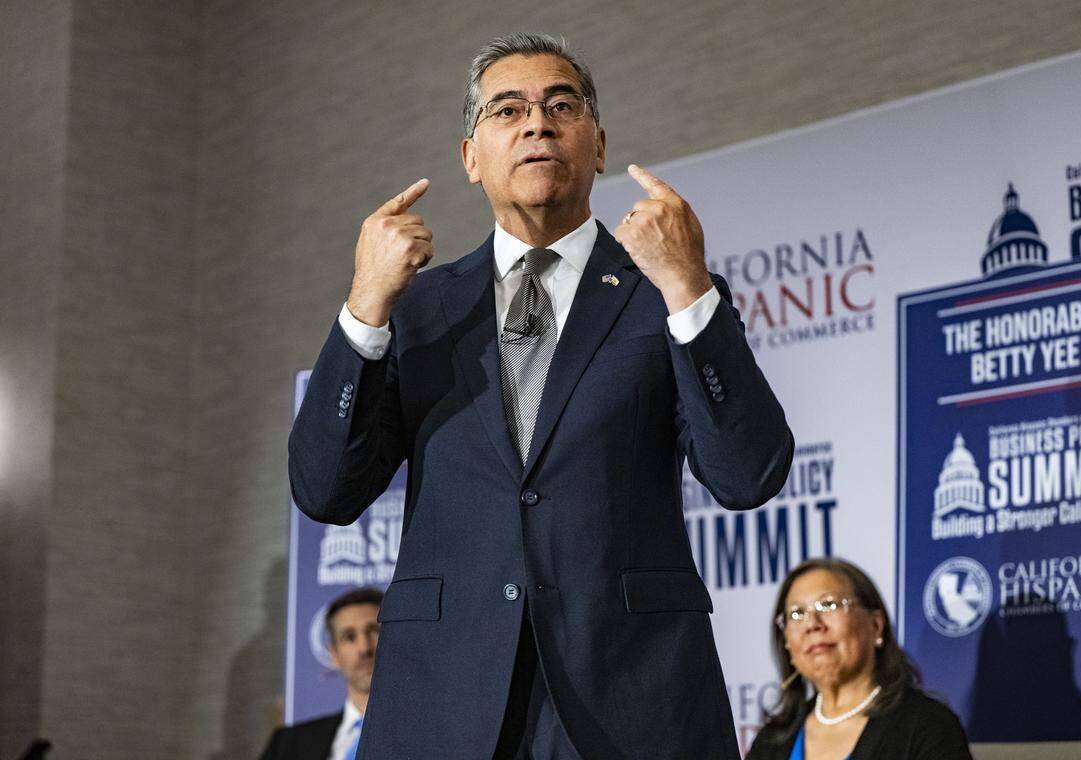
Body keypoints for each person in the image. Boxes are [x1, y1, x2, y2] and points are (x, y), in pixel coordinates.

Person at [288, 32, 794, 759]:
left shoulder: (664, 295)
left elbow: (748, 474)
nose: (537, 123)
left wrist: (689, 285)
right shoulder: (418, 311)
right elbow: (323, 489)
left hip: (630, 700)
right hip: (443, 704)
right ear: (470, 158)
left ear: (597, 145)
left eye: (562, 104)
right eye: (507, 110)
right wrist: (366, 301)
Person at [746, 559, 972, 760]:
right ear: (786, 641)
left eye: (829, 605)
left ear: (876, 625)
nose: (812, 624)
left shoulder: (928, 726)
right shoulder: (772, 739)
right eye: (796, 613)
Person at [259, 587, 383, 760]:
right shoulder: (288, 745)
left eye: (374, 632)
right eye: (349, 637)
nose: (364, 648)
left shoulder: (429, 732)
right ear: (334, 654)